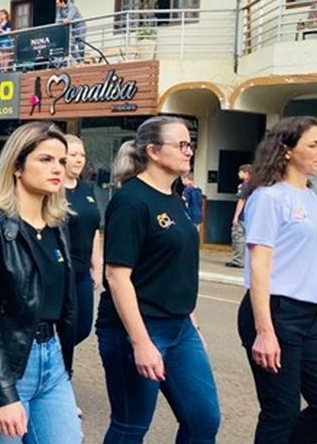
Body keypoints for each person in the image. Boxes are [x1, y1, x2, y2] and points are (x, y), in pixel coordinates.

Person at [0, 122, 81, 444]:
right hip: (2, 366)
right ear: (17, 167)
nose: (58, 168)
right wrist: (4, 393)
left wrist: (63, 364)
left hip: (51, 361)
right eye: (46, 159)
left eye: (61, 161)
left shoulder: (58, 224)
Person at [98, 116, 220, 443]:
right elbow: (117, 276)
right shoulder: (131, 201)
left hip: (179, 327)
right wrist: (140, 342)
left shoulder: (176, 197)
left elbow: (174, 269)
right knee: (131, 424)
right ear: (153, 151)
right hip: (136, 328)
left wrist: (192, 324)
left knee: (203, 419)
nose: (189, 151)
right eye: (181, 145)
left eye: (190, 144)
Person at [238, 116, 317, 444]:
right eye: (314, 144)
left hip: (308, 315)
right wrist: (265, 332)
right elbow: (259, 268)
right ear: (287, 150)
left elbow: (310, 263)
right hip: (275, 312)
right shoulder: (269, 198)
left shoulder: (308, 196)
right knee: (281, 412)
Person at [63, 134, 102, 346]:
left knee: (83, 327)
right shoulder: (53, 190)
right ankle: (59, 364)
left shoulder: (86, 189)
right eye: (73, 155)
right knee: (63, 326)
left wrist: (97, 264)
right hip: (61, 270)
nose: (79, 160)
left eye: (82, 155)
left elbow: (93, 227)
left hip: (82, 271)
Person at [226, 164, 252, 268]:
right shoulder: (257, 186)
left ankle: (238, 260)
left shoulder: (244, 186)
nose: (238, 174)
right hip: (252, 216)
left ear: (246, 173)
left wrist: (236, 216)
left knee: (238, 237)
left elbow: (241, 201)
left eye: (240, 172)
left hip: (243, 216)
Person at [56, 0, 87, 64]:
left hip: (80, 26)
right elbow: (57, 21)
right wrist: (61, 21)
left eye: (58, 3)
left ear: (62, 2)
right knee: (71, 44)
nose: (57, 5)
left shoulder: (72, 7)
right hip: (72, 28)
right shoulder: (59, 10)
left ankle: (82, 60)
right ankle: (79, 60)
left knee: (80, 43)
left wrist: (64, 20)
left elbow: (68, 19)